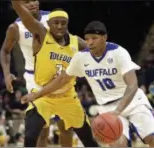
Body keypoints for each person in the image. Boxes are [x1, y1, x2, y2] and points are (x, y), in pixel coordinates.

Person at [23, 21, 154, 147]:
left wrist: (118, 111)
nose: (90, 42)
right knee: (118, 145)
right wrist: (37, 94)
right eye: (87, 39)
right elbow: (61, 80)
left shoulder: (118, 52)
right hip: (107, 107)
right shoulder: (81, 57)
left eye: (94, 38)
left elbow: (132, 85)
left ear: (104, 38)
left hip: (133, 101)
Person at [11, 1, 99, 147]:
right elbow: (21, 11)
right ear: (48, 24)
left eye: (63, 23)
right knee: (31, 135)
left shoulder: (76, 42)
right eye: (55, 23)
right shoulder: (41, 34)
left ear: (68, 24)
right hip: (43, 96)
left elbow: (97, 55)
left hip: (67, 97)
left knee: (89, 141)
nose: (59, 26)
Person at [0, 0, 74, 147]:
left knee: (66, 126)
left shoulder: (53, 19)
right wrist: (7, 73)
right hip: (34, 79)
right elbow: (5, 51)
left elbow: (68, 44)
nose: (32, 4)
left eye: (34, 0)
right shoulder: (15, 27)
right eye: (27, 2)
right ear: (20, 6)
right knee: (42, 129)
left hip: (57, 75)